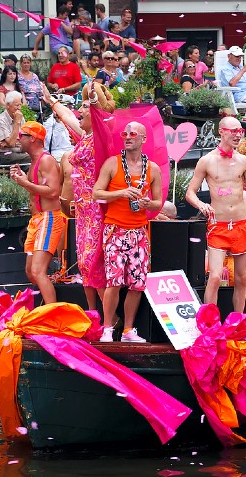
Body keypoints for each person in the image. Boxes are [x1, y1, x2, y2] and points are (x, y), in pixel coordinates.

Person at [186, 116, 246, 313]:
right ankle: (209, 322)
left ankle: (237, 322)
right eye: (233, 131)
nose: (237, 135)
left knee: (242, 277)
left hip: (241, 225)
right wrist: (201, 205)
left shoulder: (243, 160)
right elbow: (190, 193)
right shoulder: (206, 160)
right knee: (216, 276)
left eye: (240, 131)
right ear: (222, 132)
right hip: (218, 226)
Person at [92, 121, 163, 343]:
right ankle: (107, 328)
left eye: (133, 134)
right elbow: (96, 193)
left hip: (139, 231)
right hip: (115, 229)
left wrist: (147, 204)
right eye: (125, 133)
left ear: (143, 139)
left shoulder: (153, 169)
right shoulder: (112, 163)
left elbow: (158, 202)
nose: (128, 136)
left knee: (137, 283)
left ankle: (128, 330)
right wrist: (121, 193)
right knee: (114, 280)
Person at [45, 83, 112, 314]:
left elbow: (97, 112)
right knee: (84, 262)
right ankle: (93, 313)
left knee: (94, 261)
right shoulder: (85, 136)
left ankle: (110, 318)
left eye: (84, 108)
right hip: (82, 210)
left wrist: (93, 99)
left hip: (96, 208)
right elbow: (67, 116)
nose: (79, 111)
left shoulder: (102, 137)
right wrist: (51, 101)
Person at [9, 121, 65, 305]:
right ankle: (50, 302)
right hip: (37, 220)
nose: (18, 138)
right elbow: (37, 190)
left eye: (22, 136)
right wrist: (24, 179)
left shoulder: (46, 160)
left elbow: (53, 191)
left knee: (38, 271)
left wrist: (25, 183)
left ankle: (53, 314)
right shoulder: (34, 161)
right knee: (30, 272)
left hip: (49, 219)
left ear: (33, 138)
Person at [0, 91, 31, 165]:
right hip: (3, 155)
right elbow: (12, 143)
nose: (19, 108)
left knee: (33, 166)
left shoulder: (21, 118)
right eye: (17, 105)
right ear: (8, 105)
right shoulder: (0, 120)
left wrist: (8, 143)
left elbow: (25, 140)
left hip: (19, 153)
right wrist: (16, 123)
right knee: (32, 157)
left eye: (20, 105)